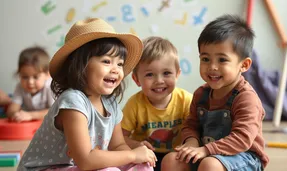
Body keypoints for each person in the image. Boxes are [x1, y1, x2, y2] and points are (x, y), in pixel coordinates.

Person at [17, 18, 156, 171]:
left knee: (143, 165)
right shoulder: (73, 101)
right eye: (106, 61)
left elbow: (118, 145)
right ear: (81, 65)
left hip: (78, 166)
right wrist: (133, 155)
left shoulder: (110, 104)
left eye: (120, 64)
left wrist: (137, 159)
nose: (116, 69)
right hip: (46, 168)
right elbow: (86, 160)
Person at [161, 14, 269, 171]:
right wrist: (192, 142)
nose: (212, 67)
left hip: (244, 157)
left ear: (244, 65)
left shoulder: (246, 98)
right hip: (208, 154)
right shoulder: (201, 94)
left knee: (210, 165)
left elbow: (242, 138)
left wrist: (206, 150)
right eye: (205, 59)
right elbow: (191, 124)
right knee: (171, 160)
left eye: (222, 60)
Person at [121, 36, 193, 171]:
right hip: (147, 156)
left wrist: (189, 145)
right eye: (150, 74)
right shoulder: (135, 104)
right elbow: (119, 138)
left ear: (177, 74)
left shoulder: (186, 100)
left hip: (176, 156)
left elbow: (197, 130)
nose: (159, 80)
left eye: (166, 73)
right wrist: (136, 145)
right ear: (137, 79)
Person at [7, 46, 54, 122]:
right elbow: (12, 108)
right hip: (31, 124)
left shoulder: (50, 87)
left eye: (35, 77)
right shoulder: (20, 87)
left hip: (49, 123)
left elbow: (55, 111)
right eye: (25, 77)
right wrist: (15, 114)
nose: (30, 82)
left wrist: (31, 115)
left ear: (47, 75)